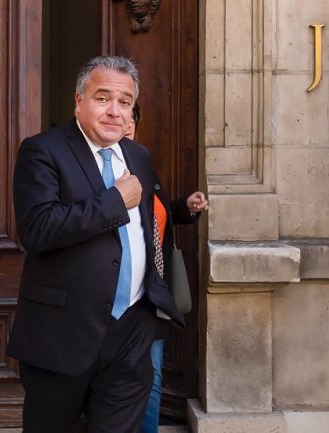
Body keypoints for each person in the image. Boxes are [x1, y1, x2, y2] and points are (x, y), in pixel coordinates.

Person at [8, 55, 185, 433]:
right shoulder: (43, 150)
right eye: (103, 98)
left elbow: (148, 227)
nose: (115, 112)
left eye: (125, 102)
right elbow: (38, 229)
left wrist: (152, 301)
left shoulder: (138, 155)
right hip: (62, 332)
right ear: (78, 100)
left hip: (132, 330)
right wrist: (114, 201)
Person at [124, 104, 207, 433]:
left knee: (152, 378)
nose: (126, 123)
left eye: (132, 118)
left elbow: (153, 218)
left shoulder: (143, 165)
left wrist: (184, 208)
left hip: (152, 293)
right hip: (113, 296)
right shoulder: (95, 170)